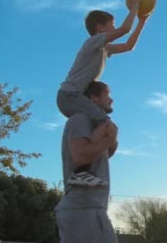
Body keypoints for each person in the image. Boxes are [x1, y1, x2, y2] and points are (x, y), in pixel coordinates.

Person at [57, 0, 148, 187]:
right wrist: (134, 8)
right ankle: (80, 172)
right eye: (110, 25)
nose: (114, 29)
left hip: (72, 97)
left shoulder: (104, 49)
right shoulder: (93, 42)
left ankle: (85, 167)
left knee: (101, 126)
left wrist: (142, 21)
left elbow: (129, 46)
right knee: (105, 124)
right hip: (69, 96)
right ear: (100, 27)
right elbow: (124, 29)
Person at [55, 81, 119, 243]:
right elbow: (80, 156)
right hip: (84, 208)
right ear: (94, 98)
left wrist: (110, 146)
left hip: (87, 208)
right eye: (107, 95)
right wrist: (109, 139)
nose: (111, 100)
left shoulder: (91, 124)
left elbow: (93, 157)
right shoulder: (80, 119)